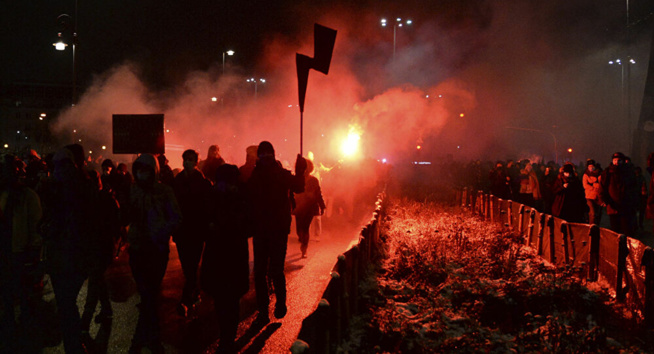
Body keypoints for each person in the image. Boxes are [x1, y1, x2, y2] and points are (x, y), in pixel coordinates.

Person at [40, 147, 96, 353]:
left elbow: (53, 222)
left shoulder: (62, 187)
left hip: (66, 254)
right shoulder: (83, 185)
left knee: (66, 303)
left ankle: (73, 343)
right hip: (71, 255)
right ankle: (73, 343)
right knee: (66, 303)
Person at [126, 154, 182, 353]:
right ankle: (150, 339)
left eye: (146, 171)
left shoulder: (164, 191)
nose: (142, 175)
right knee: (147, 295)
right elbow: (123, 216)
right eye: (139, 171)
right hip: (137, 248)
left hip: (157, 249)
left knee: (150, 294)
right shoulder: (132, 191)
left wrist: (161, 231)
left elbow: (176, 217)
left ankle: (141, 340)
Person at [246, 141, 306, 327]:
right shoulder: (255, 176)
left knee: (275, 270)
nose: (265, 157)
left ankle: (280, 303)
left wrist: (300, 171)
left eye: (268, 153)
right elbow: (247, 200)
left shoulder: (280, 174)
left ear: (273, 154)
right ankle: (264, 311)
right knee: (260, 272)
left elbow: (298, 186)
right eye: (262, 154)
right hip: (262, 229)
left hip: (277, 229)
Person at [201, 164, 249, 352]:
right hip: (232, 254)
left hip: (220, 254)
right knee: (229, 300)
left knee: (223, 300)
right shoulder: (239, 196)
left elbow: (203, 222)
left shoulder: (214, 196)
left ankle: (226, 338)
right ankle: (228, 337)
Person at [0, 154, 42, 352]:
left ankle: (25, 330)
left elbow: (35, 228)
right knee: (7, 292)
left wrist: (33, 254)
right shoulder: (5, 194)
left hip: (19, 252)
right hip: (5, 251)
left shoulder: (28, 196)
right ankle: (10, 323)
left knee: (23, 293)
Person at [172, 149, 212, 317]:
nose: (187, 162)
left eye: (190, 159)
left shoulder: (203, 183)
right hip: (182, 231)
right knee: (187, 265)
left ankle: (186, 299)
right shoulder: (177, 181)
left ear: (196, 162)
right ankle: (194, 293)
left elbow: (208, 208)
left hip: (196, 230)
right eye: (185, 159)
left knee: (192, 264)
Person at [80, 170, 119, 334]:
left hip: (101, 247)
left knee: (94, 283)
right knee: (98, 281)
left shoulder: (103, 199)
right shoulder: (97, 198)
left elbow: (115, 223)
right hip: (98, 247)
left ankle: (84, 323)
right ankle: (107, 310)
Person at [293, 160, 326, 258]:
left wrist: (322, 205)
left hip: (310, 208)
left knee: (305, 227)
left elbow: (318, 194)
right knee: (299, 229)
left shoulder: (314, 180)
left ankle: (304, 248)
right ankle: (302, 239)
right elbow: (292, 192)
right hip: (299, 207)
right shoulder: (296, 179)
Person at [600, 152, 638, 236]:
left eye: (619, 160)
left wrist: (633, 201)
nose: (616, 162)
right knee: (615, 230)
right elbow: (603, 187)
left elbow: (634, 187)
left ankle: (626, 247)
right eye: (615, 160)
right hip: (613, 205)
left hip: (626, 205)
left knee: (626, 229)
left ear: (623, 161)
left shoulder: (628, 172)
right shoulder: (607, 172)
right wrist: (604, 199)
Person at [583, 159, 603, 225]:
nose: (591, 168)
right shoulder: (586, 175)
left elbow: (601, 184)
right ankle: (591, 226)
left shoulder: (599, 174)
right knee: (593, 213)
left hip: (598, 197)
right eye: (589, 167)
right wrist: (594, 188)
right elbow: (585, 185)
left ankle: (596, 226)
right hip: (589, 196)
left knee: (597, 213)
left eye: (592, 166)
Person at [635, 166, 648, 230]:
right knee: (640, 213)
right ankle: (639, 224)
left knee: (638, 212)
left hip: (637, 197)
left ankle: (638, 225)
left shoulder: (634, 178)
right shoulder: (641, 178)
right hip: (639, 197)